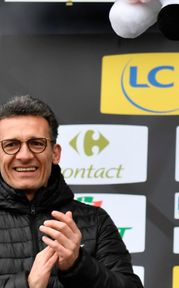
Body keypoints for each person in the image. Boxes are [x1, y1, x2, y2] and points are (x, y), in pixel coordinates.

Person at [0, 95, 143, 288]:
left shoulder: (96, 221)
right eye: (11, 145)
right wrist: (26, 285)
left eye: (36, 143)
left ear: (55, 153)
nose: (24, 155)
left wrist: (78, 265)